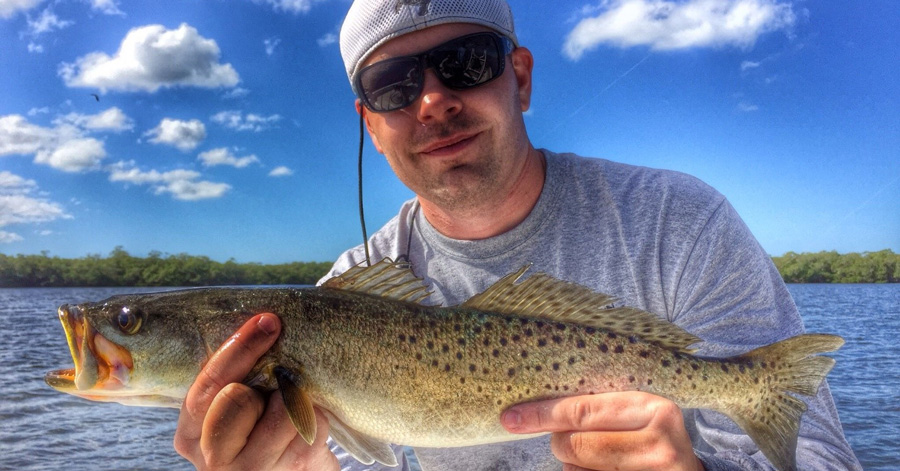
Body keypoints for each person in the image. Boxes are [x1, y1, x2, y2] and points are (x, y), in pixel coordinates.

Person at [174, 1, 862, 470]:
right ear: (369, 125)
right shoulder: (346, 290)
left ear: (521, 78)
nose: (433, 99)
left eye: (467, 62)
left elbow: (821, 456)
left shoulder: (680, 221)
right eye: (393, 84)